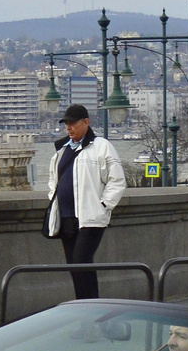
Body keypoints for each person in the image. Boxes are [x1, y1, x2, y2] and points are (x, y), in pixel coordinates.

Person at [45, 104, 127, 299]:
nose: (69, 128)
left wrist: (104, 206)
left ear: (86, 123)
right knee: (75, 265)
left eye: (73, 123)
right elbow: (53, 180)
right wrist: (53, 198)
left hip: (90, 217)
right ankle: (84, 304)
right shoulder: (62, 150)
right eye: (66, 124)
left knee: (81, 260)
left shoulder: (102, 146)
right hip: (66, 218)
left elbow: (117, 180)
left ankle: (91, 304)